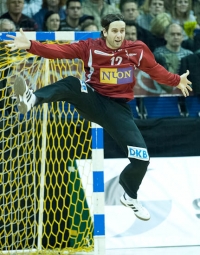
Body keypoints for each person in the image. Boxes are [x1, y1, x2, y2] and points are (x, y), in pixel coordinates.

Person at [5, 13, 192, 221]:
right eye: (115, 31)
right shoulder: (90, 47)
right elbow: (59, 51)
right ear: (105, 32)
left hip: (118, 110)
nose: (119, 35)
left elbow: (154, 69)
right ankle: (32, 100)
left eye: (122, 31)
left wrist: (176, 81)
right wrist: (30, 45)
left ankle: (130, 195)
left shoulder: (137, 50)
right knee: (71, 83)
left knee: (141, 159)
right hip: (93, 100)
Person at [153, 23, 193, 92]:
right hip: (162, 92)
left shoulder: (189, 54)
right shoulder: (158, 54)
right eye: (172, 34)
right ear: (166, 36)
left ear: (182, 37)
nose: (176, 37)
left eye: (178, 34)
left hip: (186, 92)